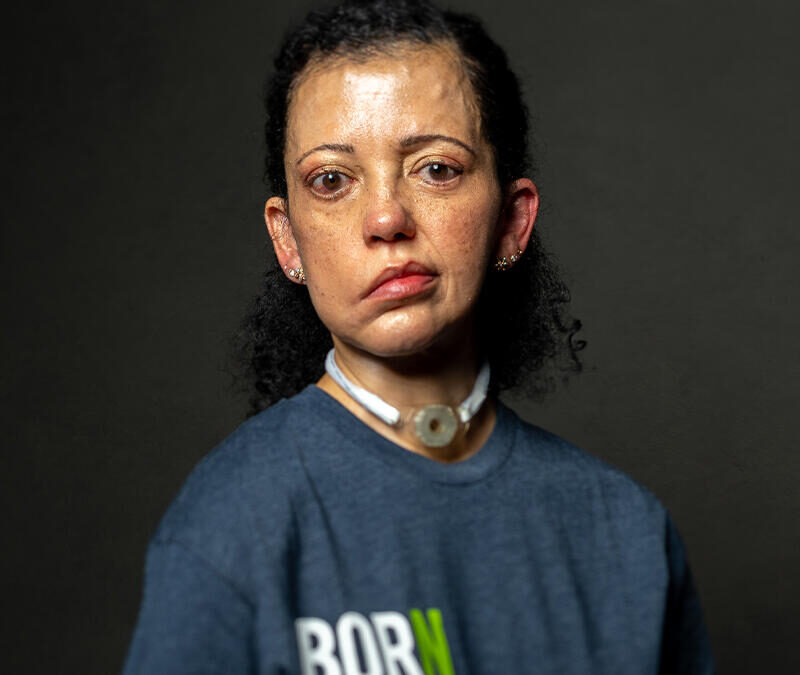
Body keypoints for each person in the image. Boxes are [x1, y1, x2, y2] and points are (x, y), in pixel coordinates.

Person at [123, 1, 714, 673]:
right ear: (288, 240)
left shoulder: (626, 533)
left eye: (436, 168)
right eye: (332, 180)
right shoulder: (232, 524)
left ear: (513, 221)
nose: (385, 217)